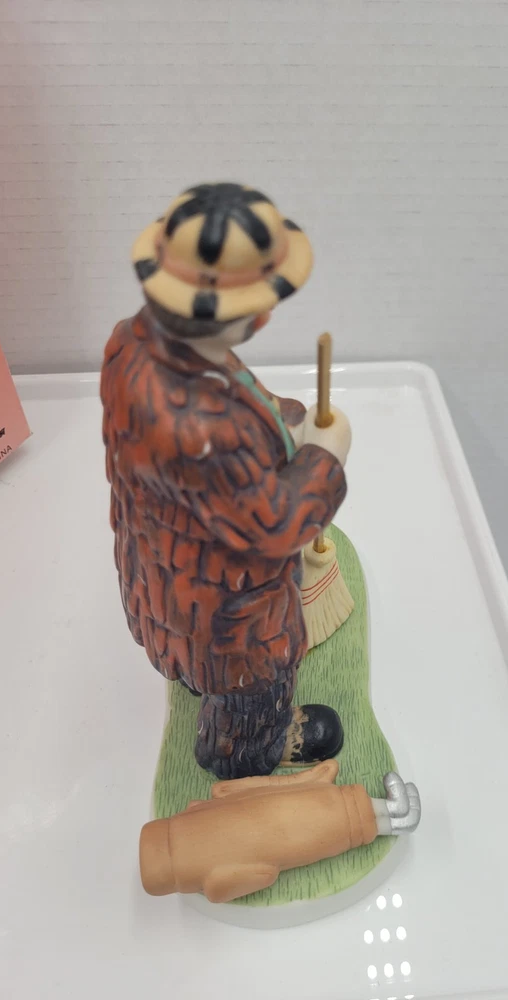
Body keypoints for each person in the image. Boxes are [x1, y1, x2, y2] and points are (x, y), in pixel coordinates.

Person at [101, 183, 352, 779]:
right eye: (259, 305)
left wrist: (285, 423)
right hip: (229, 609)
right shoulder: (204, 429)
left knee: (193, 650)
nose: (266, 316)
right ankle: (243, 748)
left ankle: (200, 681)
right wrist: (327, 456)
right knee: (253, 685)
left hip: (162, 564)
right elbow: (274, 526)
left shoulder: (133, 344)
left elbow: (239, 404)